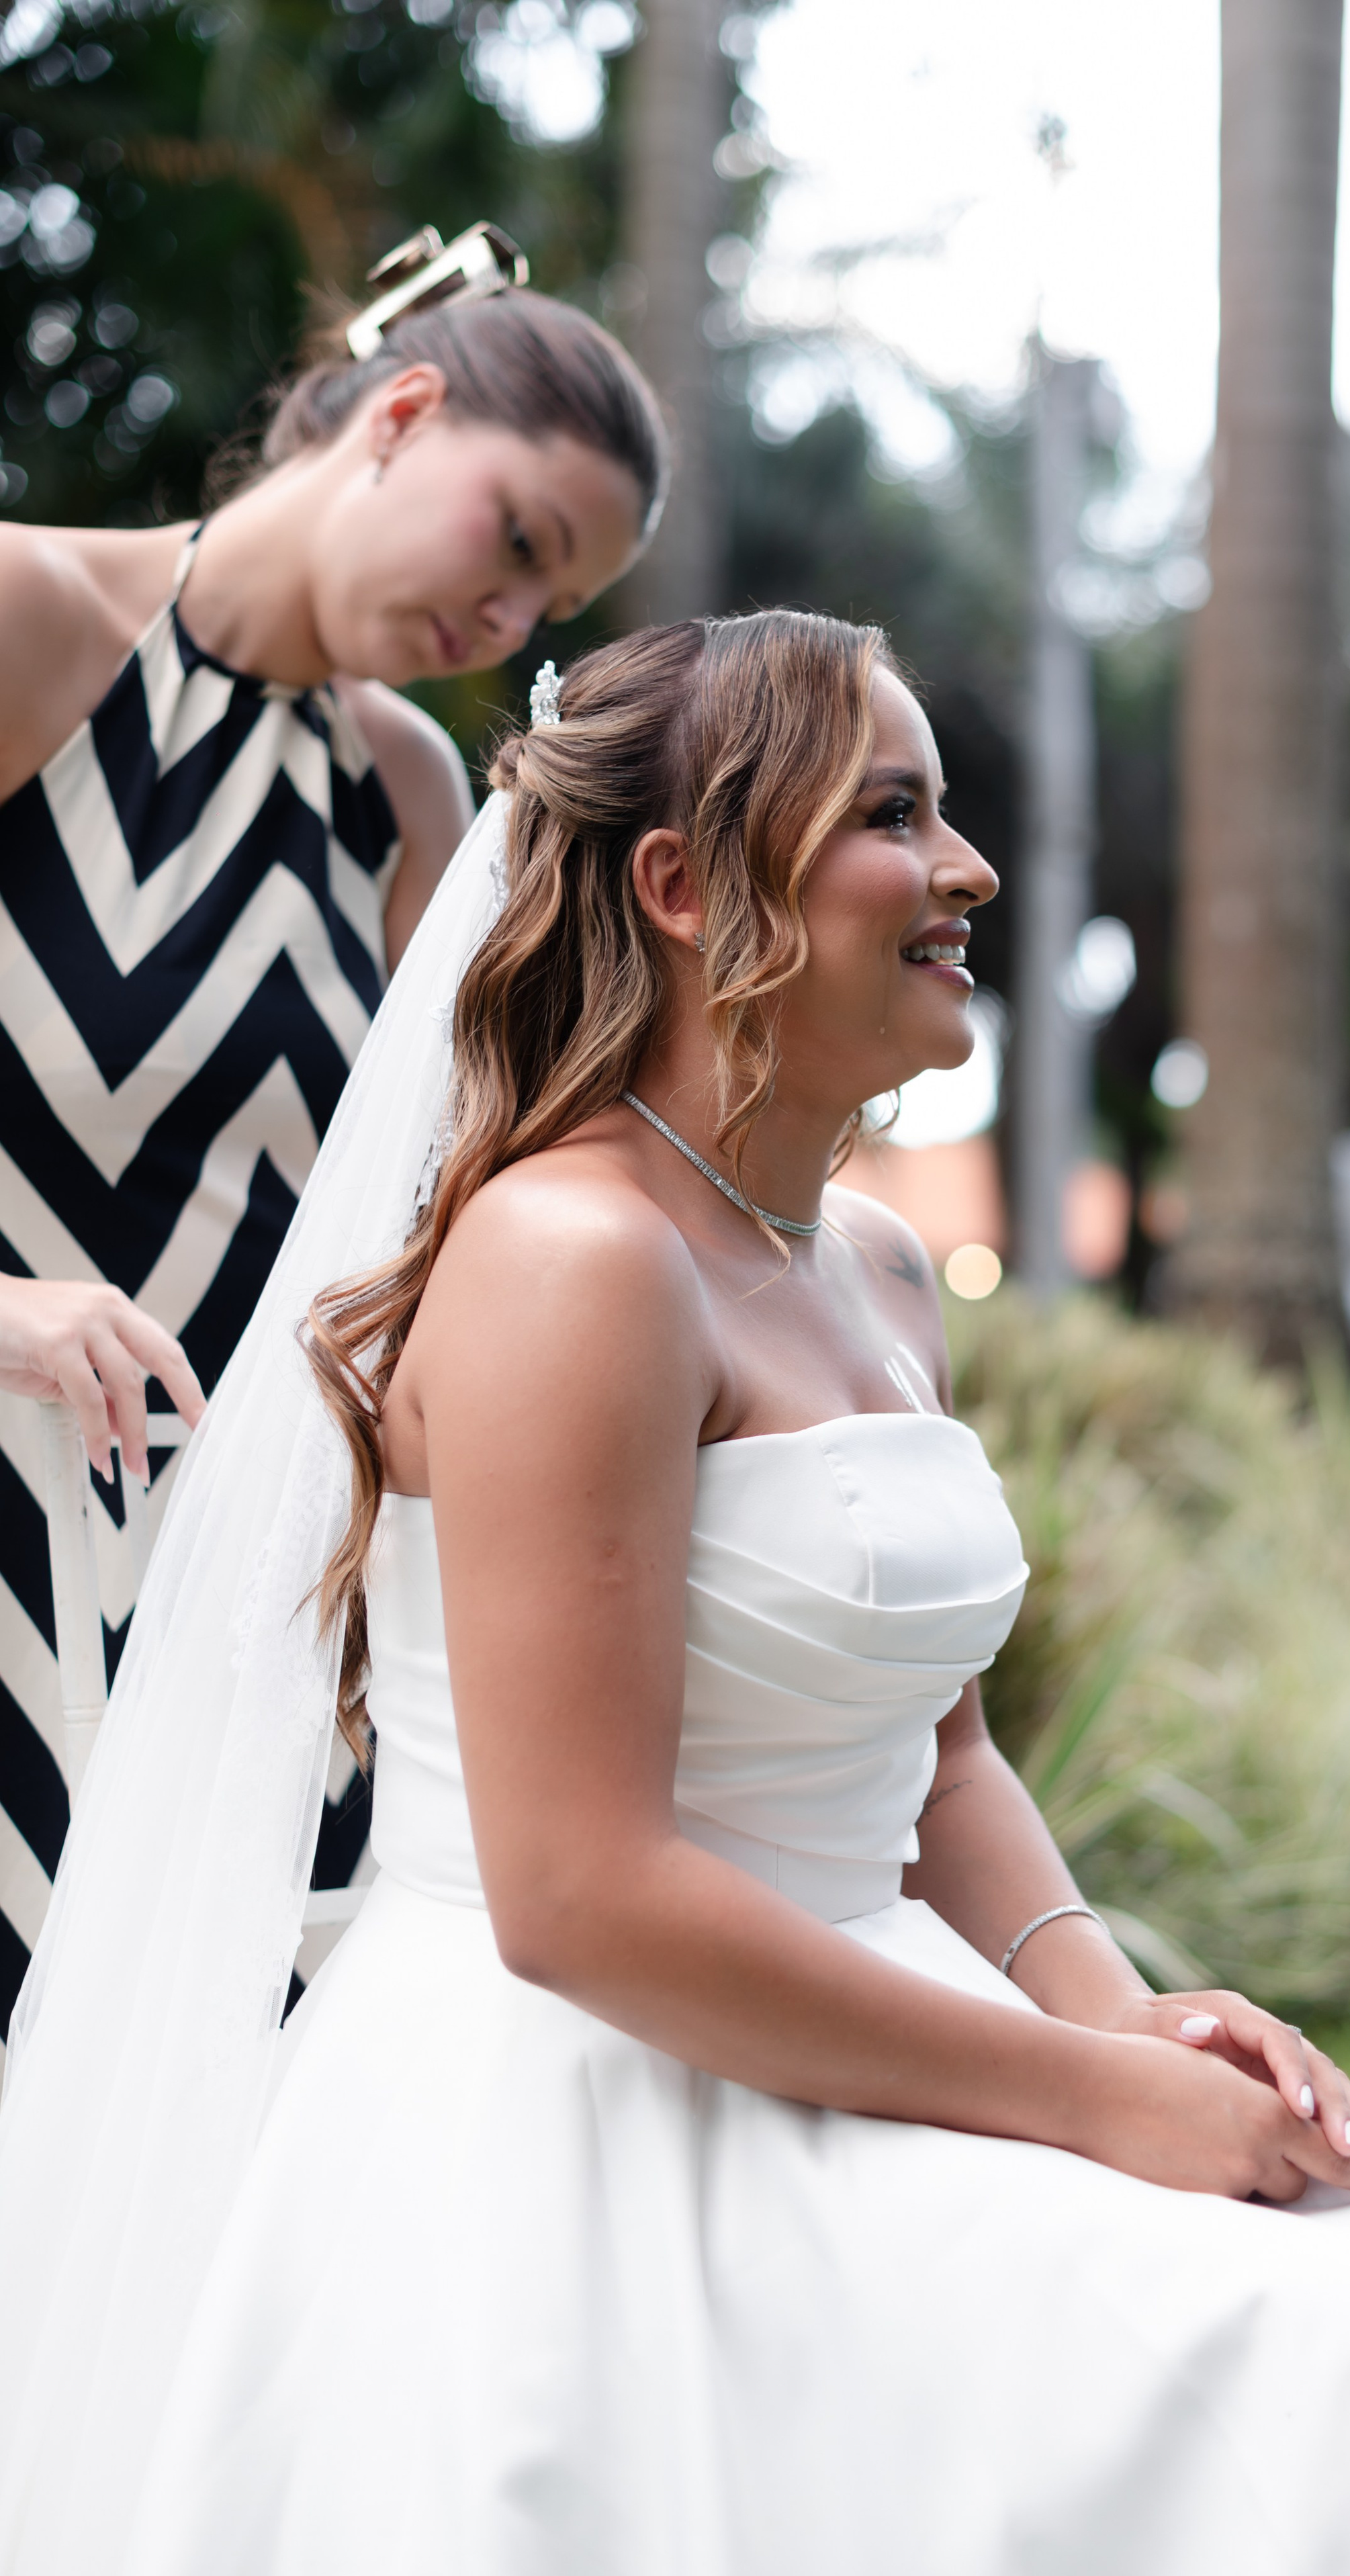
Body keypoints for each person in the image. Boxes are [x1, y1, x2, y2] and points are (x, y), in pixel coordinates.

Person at [1, 613, 1350, 2576]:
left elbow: (949, 1757)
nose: (970, 870)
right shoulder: (576, 1260)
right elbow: (579, 1902)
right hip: (611, 2101)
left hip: (898, 2017)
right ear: (678, 882)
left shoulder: (880, 1271)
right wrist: (1083, 2102)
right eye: (896, 815)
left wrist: (1133, 2021)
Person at [0, 224, 666, 2038]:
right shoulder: (32, 621)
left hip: (224, 1597)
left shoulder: (406, 790)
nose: (509, 625)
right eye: (517, 541)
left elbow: (440, 1212)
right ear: (405, 410)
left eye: (552, 605)